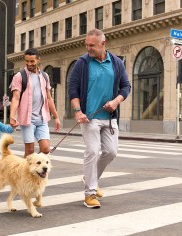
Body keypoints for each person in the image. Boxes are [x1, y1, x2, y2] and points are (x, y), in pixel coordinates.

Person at [68, 29, 131, 208]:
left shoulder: (116, 62)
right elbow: (73, 88)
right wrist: (78, 111)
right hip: (89, 118)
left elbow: (126, 86)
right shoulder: (82, 63)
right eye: (86, 45)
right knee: (93, 151)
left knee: (111, 152)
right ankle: (90, 194)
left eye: (92, 46)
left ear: (103, 44)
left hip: (109, 117)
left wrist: (116, 101)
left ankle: (90, 177)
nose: (88, 48)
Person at [9, 48, 60, 157]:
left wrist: (56, 117)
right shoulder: (19, 76)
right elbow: (15, 98)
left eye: (32, 61)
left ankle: (33, 167)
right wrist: (12, 116)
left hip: (42, 118)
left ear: (38, 60)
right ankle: (25, 173)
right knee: (30, 151)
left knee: (46, 149)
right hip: (27, 119)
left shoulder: (45, 76)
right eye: (27, 61)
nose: (29, 64)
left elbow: (49, 98)